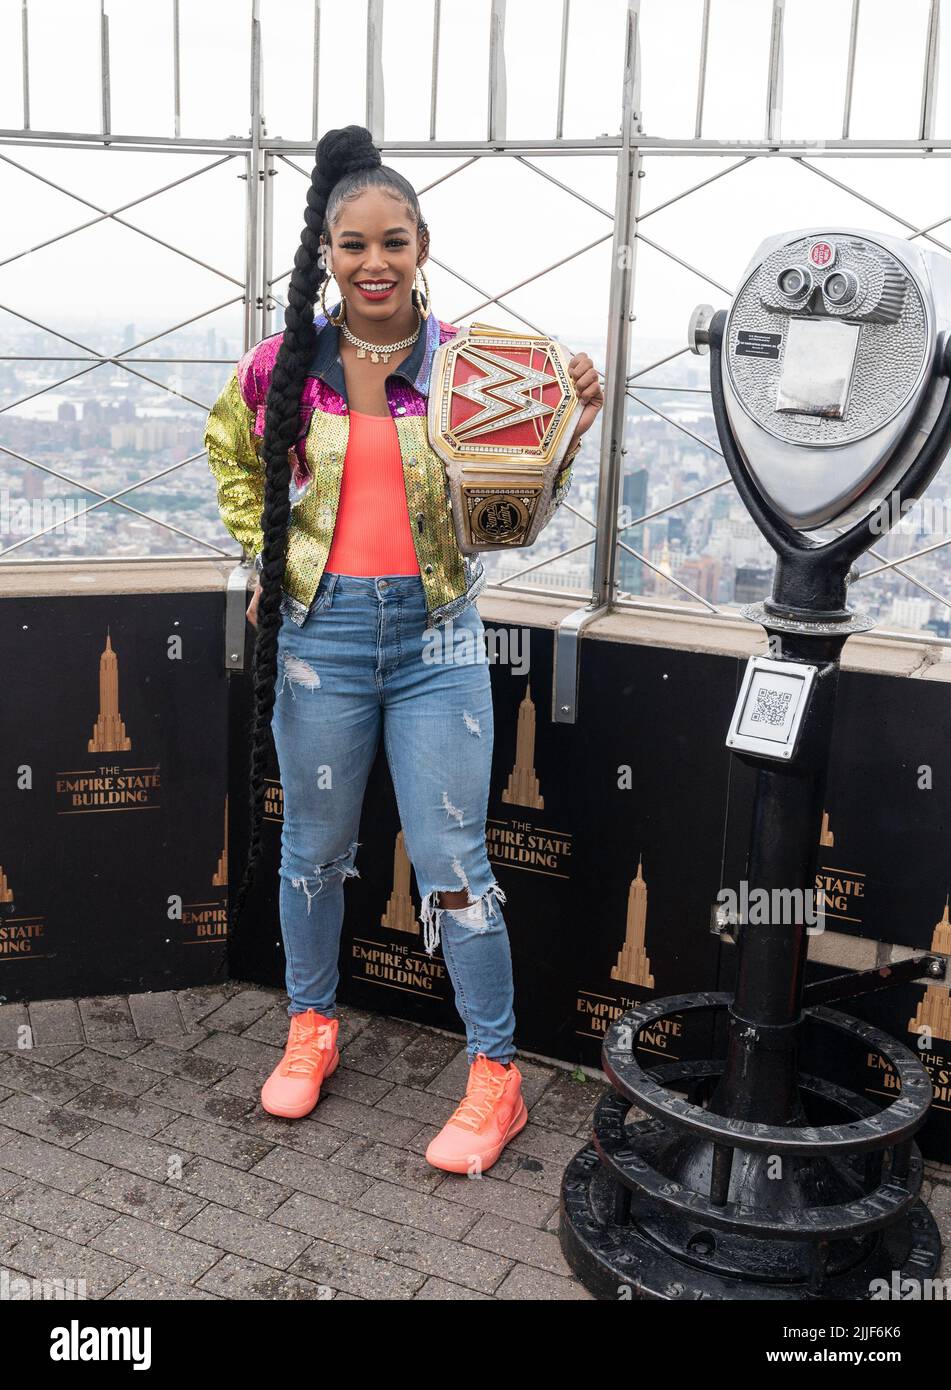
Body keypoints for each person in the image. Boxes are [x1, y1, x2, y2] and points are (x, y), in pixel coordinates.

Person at [204, 124, 602, 1174]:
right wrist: (268, 556)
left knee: (457, 867)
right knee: (315, 854)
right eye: (352, 244)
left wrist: (565, 429)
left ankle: (496, 1076)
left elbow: (509, 518)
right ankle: (311, 1026)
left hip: (439, 640)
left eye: (393, 241)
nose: (373, 262)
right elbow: (231, 465)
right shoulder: (278, 367)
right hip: (318, 635)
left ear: (423, 243)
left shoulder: (476, 371)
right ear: (325, 252)